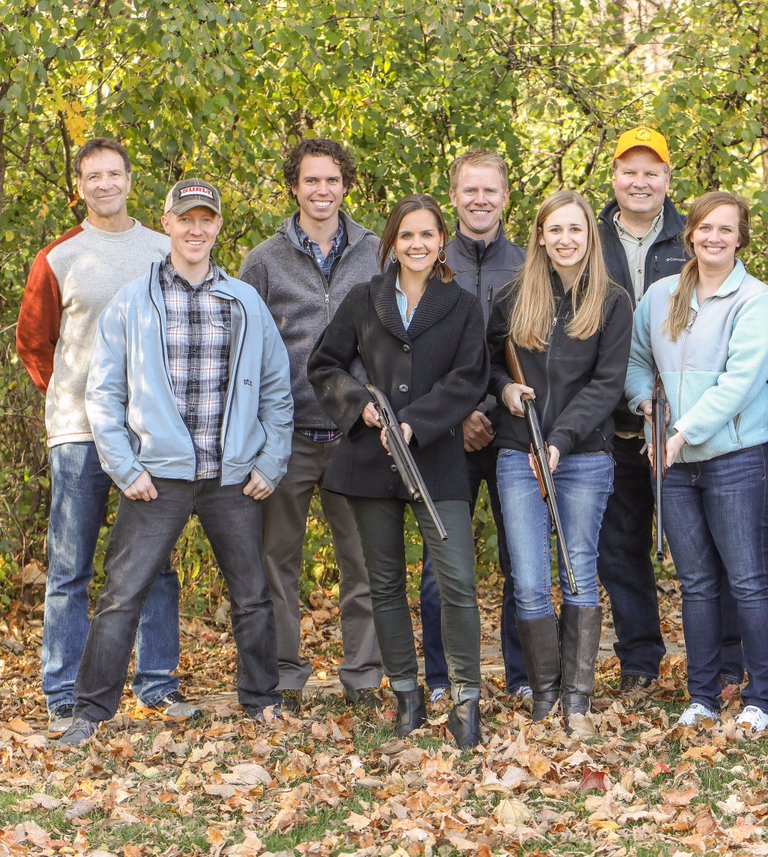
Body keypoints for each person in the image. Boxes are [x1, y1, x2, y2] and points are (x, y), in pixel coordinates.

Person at [58, 179, 292, 745]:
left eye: (205, 218)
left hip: (231, 477)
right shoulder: (133, 303)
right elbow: (103, 393)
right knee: (121, 595)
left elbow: (276, 389)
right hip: (155, 479)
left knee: (252, 594)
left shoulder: (243, 301)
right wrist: (124, 466)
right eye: (185, 217)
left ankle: (261, 701)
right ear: (166, 223)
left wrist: (269, 462)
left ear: (216, 227)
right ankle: (90, 712)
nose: (195, 228)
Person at [16, 138, 192, 738]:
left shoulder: (161, 250)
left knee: (155, 565)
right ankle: (62, 689)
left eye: (114, 173)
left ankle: (158, 683)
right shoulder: (59, 258)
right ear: (80, 184)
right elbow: (34, 342)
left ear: (129, 179)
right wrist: (66, 396)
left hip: (150, 433)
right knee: (70, 567)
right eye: (93, 176)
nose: (105, 184)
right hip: (79, 435)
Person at [308, 194, 488, 749]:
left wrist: (414, 423)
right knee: (384, 584)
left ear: (441, 242)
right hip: (369, 462)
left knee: (456, 580)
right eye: (406, 236)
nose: (416, 244)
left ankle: (465, 703)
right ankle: (407, 697)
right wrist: (359, 403)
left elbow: (469, 377)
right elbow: (323, 364)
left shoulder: (461, 305)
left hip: (437, 461)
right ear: (392, 242)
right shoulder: (365, 299)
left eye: (427, 235)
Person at [626, 191, 768, 733]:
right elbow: (637, 361)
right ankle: (703, 696)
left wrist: (682, 431)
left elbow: (741, 384)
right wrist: (647, 407)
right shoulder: (661, 295)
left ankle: (759, 699)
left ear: (741, 237)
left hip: (738, 459)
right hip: (673, 461)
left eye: (726, 229)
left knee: (746, 581)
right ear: (689, 233)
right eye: (705, 228)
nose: (714, 237)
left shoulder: (756, 300)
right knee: (695, 583)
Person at [239, 138, 384, 714]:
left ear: (346, 184)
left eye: (332, 180)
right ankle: (283, 678)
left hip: (356, 434)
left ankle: (364, 676)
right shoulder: (264, 260)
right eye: (310, 181)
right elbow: (243, 349)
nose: (321, 191)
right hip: (287, 437)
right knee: (277, 563)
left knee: (364, 563)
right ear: (294, 187)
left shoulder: (377, 252)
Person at [597, 127, 743, 695]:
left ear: (667, 179)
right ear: (614, 176)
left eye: (651, 171)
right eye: (629, 170)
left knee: (712, 548)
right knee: (620, 547)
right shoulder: (589, 237)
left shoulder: (693, 236)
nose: (640, 181)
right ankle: (640, 661)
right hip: (611, 421)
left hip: (690, 422)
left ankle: (727, 660)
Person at [489, 190, 633, 729]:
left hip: (584, 455)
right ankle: (545, 694)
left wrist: (561, 440)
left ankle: (577, 697)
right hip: (517, 452)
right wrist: (504, 389)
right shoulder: (511, 297)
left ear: (589, 236)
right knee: (528, 579)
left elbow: (607, 384)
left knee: (578, 570)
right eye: (555, 230)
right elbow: (487, 365)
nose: (565, 240)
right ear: (541, 236)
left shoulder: (613, 301)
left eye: (576, 229)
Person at [417, 149, 529, 705]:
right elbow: (416, 355)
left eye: (491, 191)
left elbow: (535, 353)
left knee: (521, 559)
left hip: (511, 430)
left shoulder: (530, 265)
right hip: (446, 434)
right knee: (444, 565)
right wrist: (459, 413)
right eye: (470, 191)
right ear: (454, 195)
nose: (480, 200)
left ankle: (522, 675)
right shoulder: (429, 262)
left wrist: (492, 405)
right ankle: (443, 679)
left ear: (505, 197)